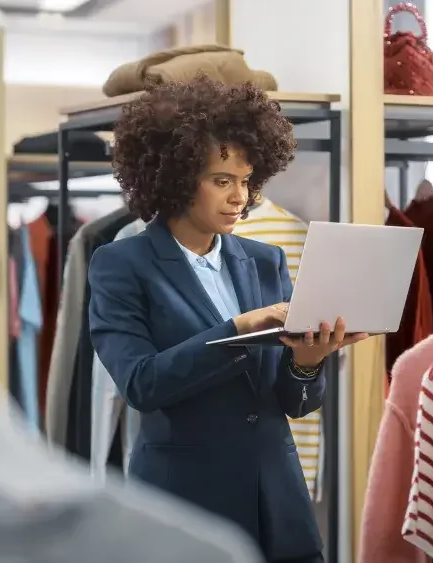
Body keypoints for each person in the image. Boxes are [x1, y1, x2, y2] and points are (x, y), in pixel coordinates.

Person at [88, 75, 368, 563]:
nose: (240, 197)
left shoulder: (265, 259)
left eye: (245, 181)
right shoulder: (121, 263)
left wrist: (308, 360)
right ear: (175, 178)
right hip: (184, 506)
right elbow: (140, 384)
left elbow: (292, 402)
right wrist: (237, 330)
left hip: (278, 501)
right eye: (222, 181)